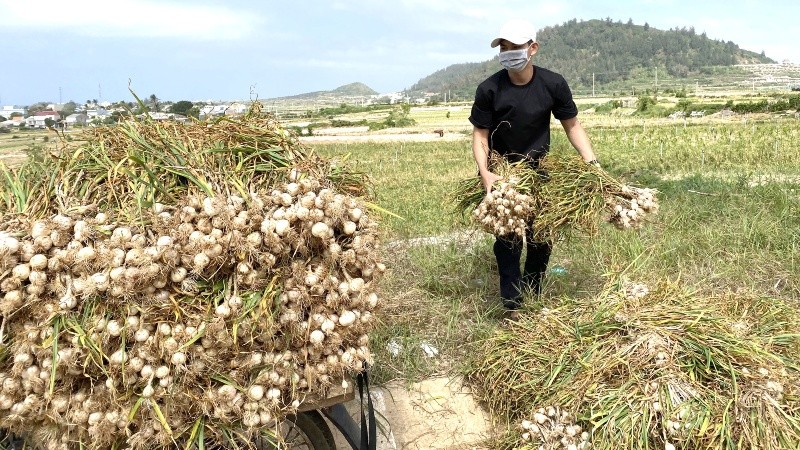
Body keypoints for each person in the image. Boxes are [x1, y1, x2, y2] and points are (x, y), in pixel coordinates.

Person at [468, 19, 598, 318]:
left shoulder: (552, 84)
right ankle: (513, 305)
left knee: (541, 236)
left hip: (539, 171)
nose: (509, 52)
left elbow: (573, 126)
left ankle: (533, 294)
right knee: (508, 239)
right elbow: (480, 136)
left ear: (533, 48)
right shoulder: (489, 89)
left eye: (515, 46)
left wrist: (592, 163)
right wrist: (485, 172)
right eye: (504, 47)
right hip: (502, 176)